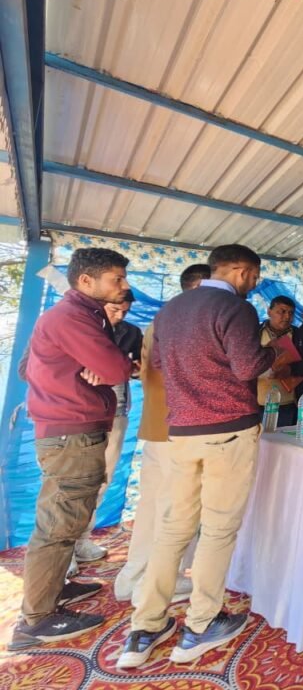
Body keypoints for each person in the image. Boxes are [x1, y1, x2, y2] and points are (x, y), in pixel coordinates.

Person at [118, 245, 277, 669]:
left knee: (173, 530)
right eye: (255, 276)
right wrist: (272, 351)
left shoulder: (171, 309)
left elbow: (160, 364)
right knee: (218, 530)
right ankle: (202, 624)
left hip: (181, 433)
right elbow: (248, 367)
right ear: (241, 271)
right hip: (228, 431)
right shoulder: (235, 308)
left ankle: (145, 626)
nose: (255, 284)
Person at [9, 248, 132, 651]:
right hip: (71, 433)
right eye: (116, 279)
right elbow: (116, 369)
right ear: (86, 280)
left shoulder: (79, 316)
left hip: (69, 431)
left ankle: (53, 589)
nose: (124, 286)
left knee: (65, 520)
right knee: (58, 526)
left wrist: (91, 367)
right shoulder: (72, 317)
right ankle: (37, 619)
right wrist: (106, 366)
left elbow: (104, 368)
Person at [113, 264, 210, 605]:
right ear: (199, 287)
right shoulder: (190, 322)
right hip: (181, 428)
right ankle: (156, 585)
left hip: (158, 425)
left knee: (152, 505)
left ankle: (133, 577)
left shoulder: (162, 319)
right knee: (177, 507)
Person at [74, 290, 145, 564]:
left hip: (116, 414)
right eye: (115, 310)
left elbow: (138, 369)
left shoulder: (131, 332)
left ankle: (82, 540)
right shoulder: (80, 329)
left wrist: (133, 369)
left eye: (125, 311)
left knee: (102, 480)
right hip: (80, 416)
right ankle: (62, 552)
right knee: (73, 483)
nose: (120, 316)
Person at [257, 295, 303, 426]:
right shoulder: (255, 332)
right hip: (256, 403)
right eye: (282, 312)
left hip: (286, 405)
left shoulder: (299, 334)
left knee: (282, 438)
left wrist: (291, 369)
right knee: (256, 438)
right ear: (269, 311)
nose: (287, 317)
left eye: (291, 313)